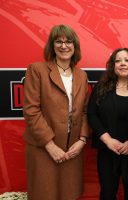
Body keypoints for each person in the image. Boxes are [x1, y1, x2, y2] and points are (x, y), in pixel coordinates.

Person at [23, 24, 89, 200]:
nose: (64, 46)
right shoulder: (37, 70)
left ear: (75, 46)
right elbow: (31, 110)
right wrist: (50, 145)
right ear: (52, 46)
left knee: (70, 193)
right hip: (43, 147)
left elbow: (84, 111)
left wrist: (82, 140)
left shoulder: (81, 75)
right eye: (58, 41)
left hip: (72, 148)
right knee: (44, 194)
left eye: (68, 42)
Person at [87, 48, 128, 200]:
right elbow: (92, 115)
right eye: (118, 61)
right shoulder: (101, 88)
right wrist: (107, 140)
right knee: (107, 193)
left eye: (127, 60)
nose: (122, 64)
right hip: (107, 150)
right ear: (112, 66)